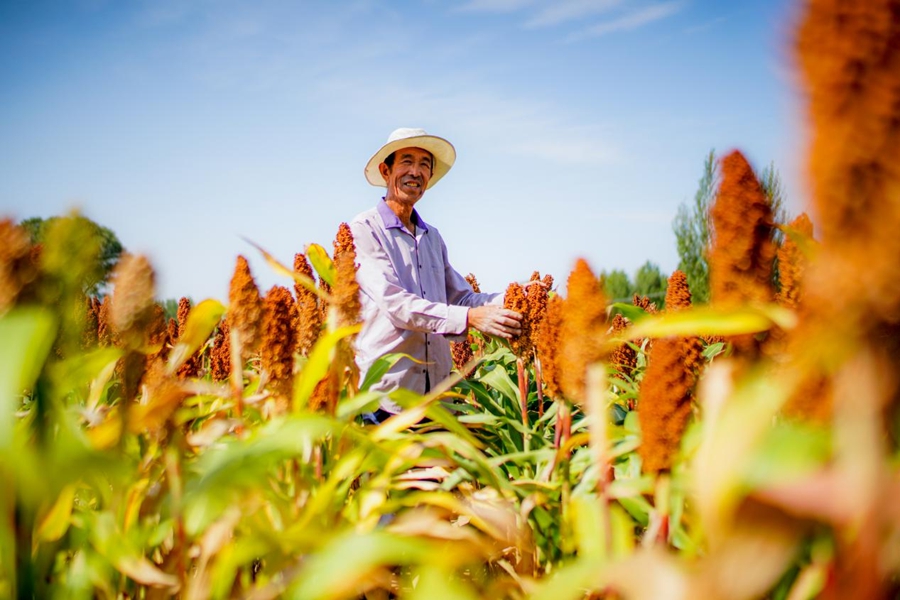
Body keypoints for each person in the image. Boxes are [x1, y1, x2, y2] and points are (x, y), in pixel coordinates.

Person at [350, 127, 522, 421]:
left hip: (438, 399)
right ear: (385, 169)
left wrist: (517, 297)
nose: (415, 171)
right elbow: (396, 304)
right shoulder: (364, 229)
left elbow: (463, 297)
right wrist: (470, 319)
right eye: (406, 161)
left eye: (424, 165)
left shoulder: (432, 238)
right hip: (388, 398)